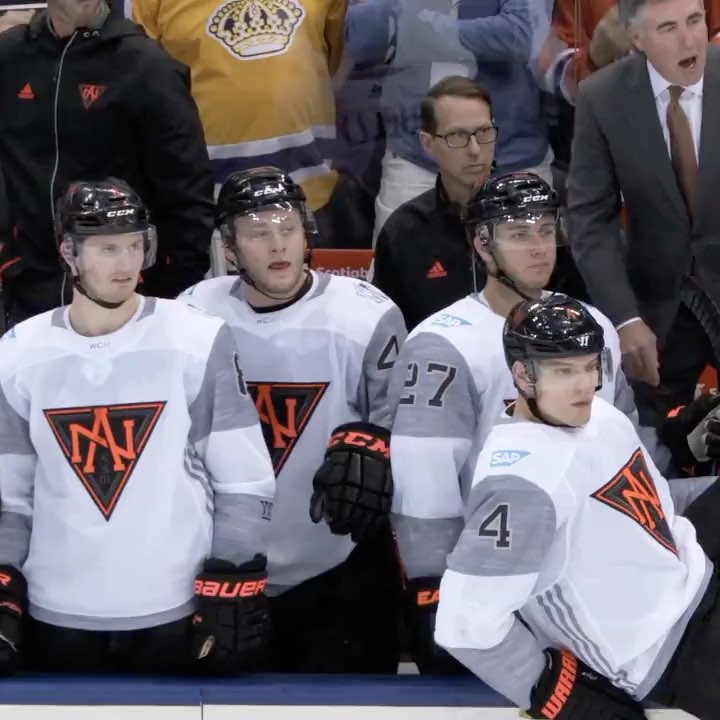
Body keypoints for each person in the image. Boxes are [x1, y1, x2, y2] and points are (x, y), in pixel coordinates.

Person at [388, 171, 720, 675]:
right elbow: (424, 490)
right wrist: (435, 592)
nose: (540, 247)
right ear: (482, 244)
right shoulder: (443, 344)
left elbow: (624, 457)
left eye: (546, 230)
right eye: (520, 233)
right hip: (518, 582)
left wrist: (678, 445)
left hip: (600, 575)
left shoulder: (589, 326)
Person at [0, 178, 275, 674]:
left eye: (134, 245)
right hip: (56, 612)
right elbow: (11, 498)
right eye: (107, 249)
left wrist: (233, 573)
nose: (126, 263)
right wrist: (4, 581)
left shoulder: (196, 337)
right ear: (69, 252)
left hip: (173, 609)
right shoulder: (19, 353)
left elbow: (244, 478)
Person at [434, 295, 720, 720]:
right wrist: (552, 694)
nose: (585, 385)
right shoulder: (521, 486)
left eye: (589, 366)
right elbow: (464, 625)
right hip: (664, 652)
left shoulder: (600, 415)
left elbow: (653, 514)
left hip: (697, 585)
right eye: (564, 371)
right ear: (522, 375)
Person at [178, 167, 407, 673]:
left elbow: (402, 429)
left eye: (288, 228)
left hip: (337, 572)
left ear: (308, 234)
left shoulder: (367, 314)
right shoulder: (192, 316)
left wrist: (382, 448)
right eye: (258, 232)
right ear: (230, 249)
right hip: (227, 573)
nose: (277, 244)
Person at [0, 0, 214, 326]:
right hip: (27, 292)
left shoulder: (145, 66)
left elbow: (188, 191)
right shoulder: (11, 57)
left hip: (125, 295)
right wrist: (8, 258)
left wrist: (166, 292)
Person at [567, 0, 720, 427]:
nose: (689, 39)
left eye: (695, 20)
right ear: (637, 38)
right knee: (657, 441)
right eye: (669, 27)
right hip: (657, 310)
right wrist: (625, 318)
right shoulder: (602, 98)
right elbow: (590, 220)